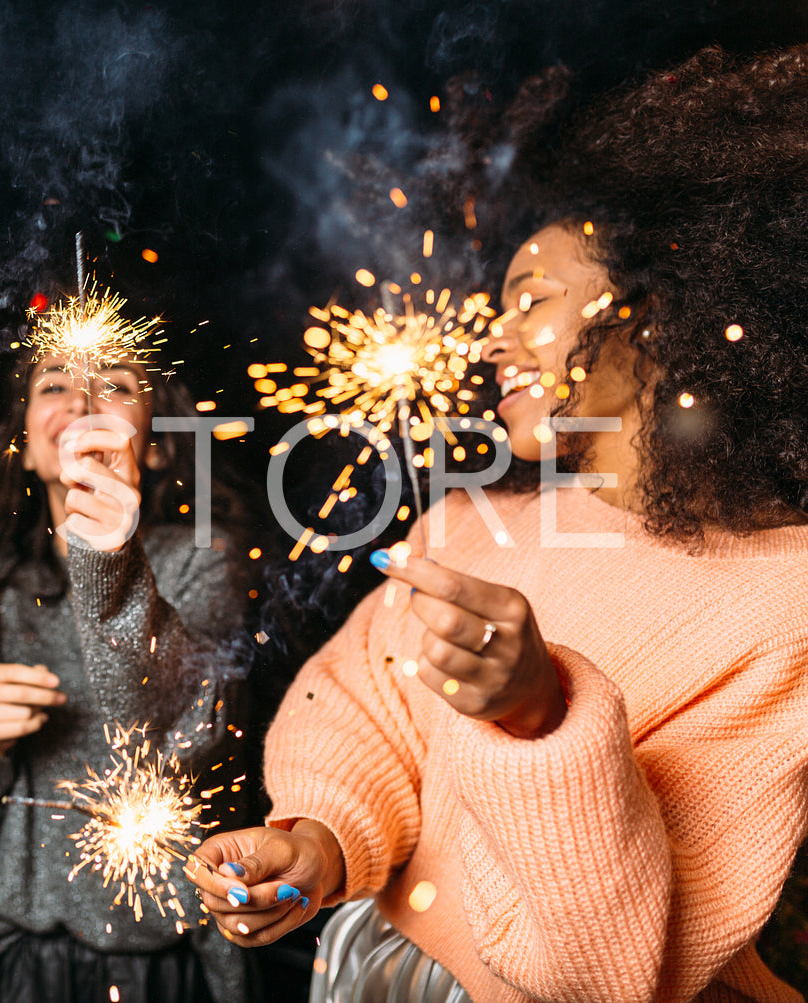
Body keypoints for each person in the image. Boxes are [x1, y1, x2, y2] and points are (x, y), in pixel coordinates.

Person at [188, 46, 808, 1003]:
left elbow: (608, 973)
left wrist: (537, 715)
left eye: (532, 302)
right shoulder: (471, 526)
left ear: (655, 318)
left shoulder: (784, 602)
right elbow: (364, 711)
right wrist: (314, 839)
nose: (491, 338)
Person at [0, 343, 251, 1003]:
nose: (81, 403)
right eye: (54, 385)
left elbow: (186, 741)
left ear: (155, 447)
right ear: (24, 445)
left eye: (115, 385)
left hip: (168, 954)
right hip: (19, 955)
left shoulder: (202, 563)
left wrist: (107, 559)